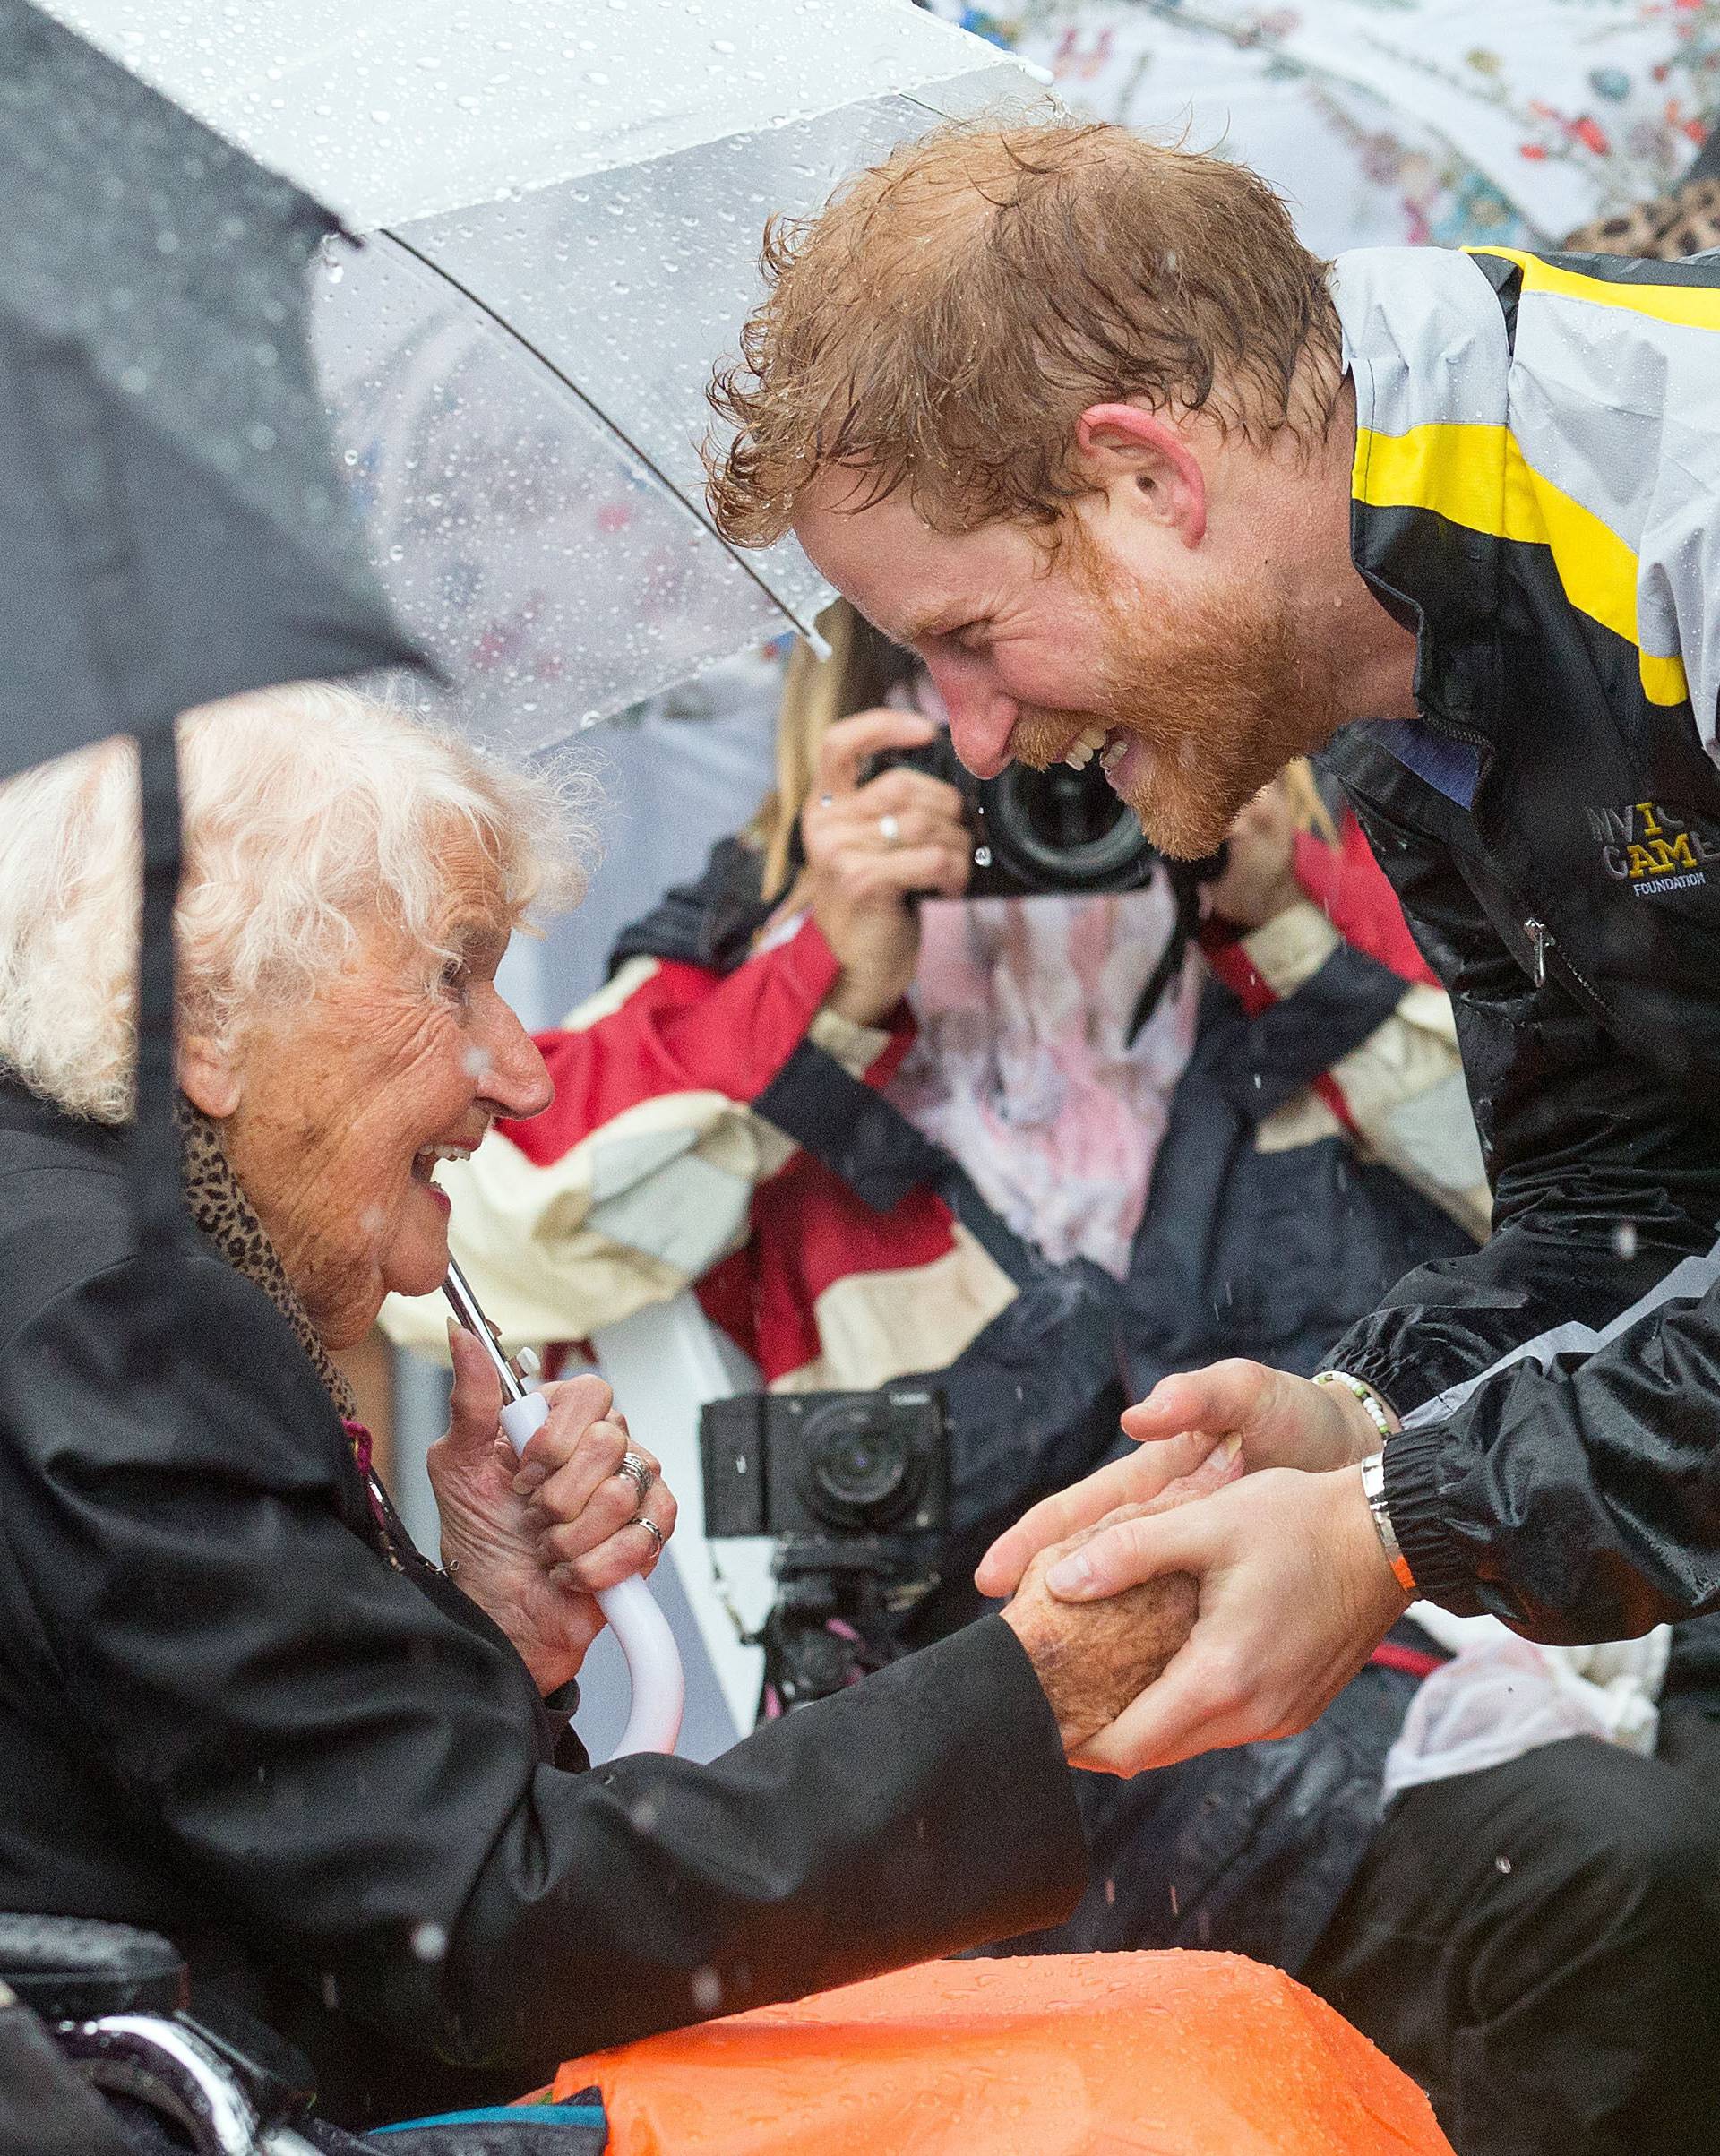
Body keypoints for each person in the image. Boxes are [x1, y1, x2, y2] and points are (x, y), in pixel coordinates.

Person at [0, 682, 1200, 2132]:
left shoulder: (76, 1258)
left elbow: (333, 1879)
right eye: (457, 976)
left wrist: (489, 1637)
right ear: (202, 1012)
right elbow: (481, 1936)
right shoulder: (126, 1313)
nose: (518, 1068)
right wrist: (1036, 1688)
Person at [703, 113, 1720, 1765]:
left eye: (967, 639)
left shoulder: (1685, 513)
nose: (967, 740)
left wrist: (1404, 1523)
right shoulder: (1375, 639)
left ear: (1147, 478)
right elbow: (1634, 1205)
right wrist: (1363, 1423)